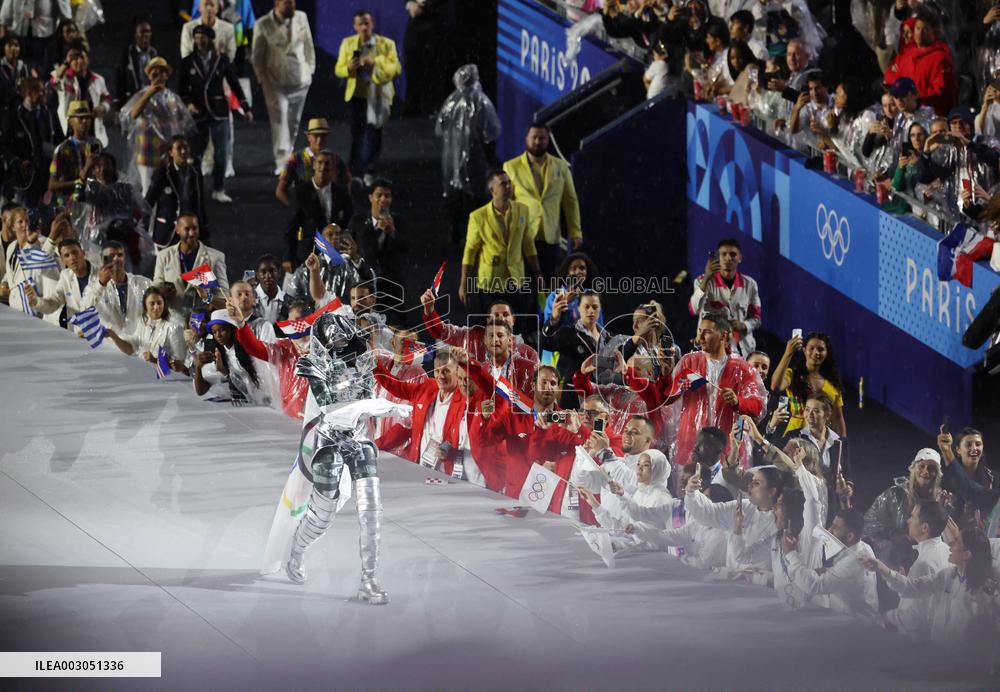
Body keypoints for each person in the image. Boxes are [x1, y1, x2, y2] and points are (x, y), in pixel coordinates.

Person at [276, 309, 410, 604]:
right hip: (329, 443)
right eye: (331, 334)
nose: (338, 338)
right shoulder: (312, 364)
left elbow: (364, 400)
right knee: (322, 516)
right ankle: (296, 552)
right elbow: (332, 408)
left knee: (371, 510)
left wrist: (380, 406)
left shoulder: (363, 361)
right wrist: (388, 408)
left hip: (359, 440)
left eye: (342, 332)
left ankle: (369, 579)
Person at [862, 527, 1000, 649]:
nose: (951, 544)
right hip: (938, 658)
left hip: (967, 668)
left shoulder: (989, 591)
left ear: (966, 554)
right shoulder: (947, 576)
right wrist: (883, 569)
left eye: (957, 541)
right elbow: (912, 587)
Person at [667, 313, 765, 466]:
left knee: (723, 490)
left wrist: (737, 401)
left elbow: (757, 407)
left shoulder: (742, 368)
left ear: (723, 335)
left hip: (727, 452)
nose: (700, 337)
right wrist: (665, 373)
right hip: (691, 447)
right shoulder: (689, 362)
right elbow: (668, 397)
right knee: (690, 489)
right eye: (699, 331)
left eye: (707, 332)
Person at [179, 24, 251, 203]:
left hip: (219, 113)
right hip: (198, 113)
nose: (199, 41)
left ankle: (218, 189)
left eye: (203, 37)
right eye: (196, 38)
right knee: (195, 155)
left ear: (210, 39)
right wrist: (188, 104)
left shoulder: (222, 60)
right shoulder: (188, 62)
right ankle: (194, 189)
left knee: (221, 154)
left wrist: (246, 107)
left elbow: (234, 83)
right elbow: (181, 89)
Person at [503, 123, 582, 278]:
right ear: (526, 139)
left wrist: (575, 231)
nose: (537, 141)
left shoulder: (560, 166)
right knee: (524, 285)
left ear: (548, 140)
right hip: (523, 237)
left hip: (550, 236)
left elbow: (570, 201)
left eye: (542, 138)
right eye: (534, 137)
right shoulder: (511, 167)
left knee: (548, 282)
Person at [460, 169, 541, 316]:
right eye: (503, 184)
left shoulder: (522, 210)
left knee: (517, 325)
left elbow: (528, 244)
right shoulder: (478, 217)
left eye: (509, 182)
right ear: (492, 190)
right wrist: (464, 283)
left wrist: (537, 273)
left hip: (516, 280)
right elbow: (470, 251)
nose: (509, 186)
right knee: (493, 327)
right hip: (491, 283)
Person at [436, 63, 501, 244]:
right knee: (478, 194)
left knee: (456, 193)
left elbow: (439, 127)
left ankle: (455, 230)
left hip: (453, 157)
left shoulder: (451, 102)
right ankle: (478, 232)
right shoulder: (482, 101)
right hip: (476, 156)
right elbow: (493, 132)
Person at [334, 9, 401, 182]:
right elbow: (338, 69)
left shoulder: (386, 44)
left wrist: (376, 64)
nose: (364, 27)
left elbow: (396, 68)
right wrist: (349, 67)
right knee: (357, 135)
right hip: (356, 96)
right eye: (360, 24)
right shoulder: (347, 44)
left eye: (367, 23)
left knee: (374, 134)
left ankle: (370, 170)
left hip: (378, 97)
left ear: (372, 24)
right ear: (355, 26)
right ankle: (355, 172)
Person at [374, 349, 466, 474]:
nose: (441, 376)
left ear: (457, 372)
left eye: (447, 371)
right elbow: (397, 387)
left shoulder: (464, 398)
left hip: (447, 471)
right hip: (418, 464)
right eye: (438, 371)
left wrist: (449, 447)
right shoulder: (428, 387)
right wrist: (375, 367)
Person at [781, 507, 879, 622]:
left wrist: (790, 553)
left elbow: (814, 586)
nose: (829, 530)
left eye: (835, 528)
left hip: (856, 626)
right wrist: (826, 570)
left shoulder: (854, 562)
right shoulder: (862, 546)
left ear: (850, 536)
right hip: (849, 620)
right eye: (832, 525)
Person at [251, 0, 315, 174]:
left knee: (293, 121)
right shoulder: (263, 24)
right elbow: (257, 56)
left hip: (299, 80)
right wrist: (262, 79)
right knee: (279, 120)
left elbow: (308, 44)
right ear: (277, 4)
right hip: (274, 82)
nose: (292, 5)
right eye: (288, 3)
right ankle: (282, 160)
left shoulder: (302, 17)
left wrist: (310, 71)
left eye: (293, 2)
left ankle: (288, 152)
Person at [684, 465, 782, 574]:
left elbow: (746, 557)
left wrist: (738, 528)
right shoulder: (743, 506)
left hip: (761, 586)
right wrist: (691, 493)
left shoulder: (782, 521)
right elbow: (708, 513)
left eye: (757, 483)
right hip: (731, 582)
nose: (749, 485)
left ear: (772, 491)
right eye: (751, 481)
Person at [120, 57, 195, 195]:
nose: (158, 75)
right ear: (149, 76)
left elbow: (182, 122)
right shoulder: (142, 94)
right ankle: (149, 216)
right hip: (147, 150)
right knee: (148, 189)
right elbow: (133, 114)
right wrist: (151, 91)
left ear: (167, 75)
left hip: (167, 151)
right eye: (154, 72)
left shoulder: (172, 97)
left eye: (162, 72)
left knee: (170, 188)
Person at [882, 500, 952, 638]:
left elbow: (914, 618)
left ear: (924, 527)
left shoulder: (924, 563)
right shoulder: (947, 550)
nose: (908, 521)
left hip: (915, 643)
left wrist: (887, 617)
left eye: (913, 517)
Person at [863, 448, 944, 564]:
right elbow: (871, 524)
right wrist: (895, 536)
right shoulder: (895, 495)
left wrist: (942, 508)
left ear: (937, 473)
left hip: (927, 563)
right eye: (921, 466)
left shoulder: (942, 500)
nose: (925, 472)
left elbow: (945, 539)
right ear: (913, 468)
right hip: (892, 562)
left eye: (931, 468)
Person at [71, 152, 149, 267]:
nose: (103, 170)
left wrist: (131, 222)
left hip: (121, 241)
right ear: (94, 170)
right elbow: (77, 197)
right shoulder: (92, 189)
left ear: (113, 168)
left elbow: (141, 211)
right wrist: (85, 170)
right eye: (98, 167)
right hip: (97, 242)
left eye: (107, 166)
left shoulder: (125, 189)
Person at [419, 290, 539, 365]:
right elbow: (441, 332)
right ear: (488, 320)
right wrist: (429, 310)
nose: (501, 318)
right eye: (496, 315)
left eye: (506, 315)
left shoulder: (527, 353)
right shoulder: (472, 337)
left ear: (513, 320)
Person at [689, 237, 761, 357]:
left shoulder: (750, 284)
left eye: (733, 254)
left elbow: (756, 318)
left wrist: (743, 325)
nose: (728, 258)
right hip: (711, 349)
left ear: (740, 258)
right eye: (723, 254)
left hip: (742, 351)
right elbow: (694, 309)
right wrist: (707, 277)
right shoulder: (701, 281)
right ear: (718, 257)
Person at [770, 331, 846, 437]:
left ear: (826, 353)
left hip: (821, 441)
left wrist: (843, 445)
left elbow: (838, 418)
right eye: (812, 348)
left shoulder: (833, 384)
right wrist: (788, 353)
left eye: (821, 349)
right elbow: (775, 386)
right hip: (794, 439)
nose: (816, 353)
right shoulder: (792, 375)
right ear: (804, 350)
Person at [1, 76, 61, 208]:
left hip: (46, 178)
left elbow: (59, 142)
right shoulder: (13, 117)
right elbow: (4, 146)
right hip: (22, 180)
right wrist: (17, 161)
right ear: (29, 93)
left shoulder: (49, 115)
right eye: (40, 90)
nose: (43, 93)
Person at [286, 151, 354, 265]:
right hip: (310, 253)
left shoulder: (342, 192)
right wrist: (288, 257)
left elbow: (349, 220)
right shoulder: (300, 192)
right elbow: (292, 226)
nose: (323, 167)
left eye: (327, 163)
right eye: (320, 162)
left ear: (332, 167)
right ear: (313, 165)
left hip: (336, 253)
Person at [152, 212, 228, 312]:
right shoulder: (163, 256)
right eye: (187, 229)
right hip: (172, 321)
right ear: (177, 229)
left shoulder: (215, 257)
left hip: (201, 323)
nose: (192, 233)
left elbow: (225, 299)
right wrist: (163, 290)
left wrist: (207, 297)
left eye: (195, 228)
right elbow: (155, 289)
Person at [105, 285, 188, 373]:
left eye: (159, 303)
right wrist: (113, 336)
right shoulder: (142, 323)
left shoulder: (174, 327)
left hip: (168, 380)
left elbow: (180, 366)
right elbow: (131, 349)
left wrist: (155, 360)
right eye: (152, 303)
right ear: (145, 306)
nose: (156, 307)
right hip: (144, 374)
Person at [541, 289, 603, 408]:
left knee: (598, 427)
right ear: (578, 308)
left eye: (595, 307)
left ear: (600, 309)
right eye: (587, 306)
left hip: (598, 401)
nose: (591, 310)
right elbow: (545, 343)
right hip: (572, 400)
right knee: (571, 426)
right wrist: (553, 318)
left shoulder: (607, 337)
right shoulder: (568, 333)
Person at [144, 136, 207, 249]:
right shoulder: (162, 173)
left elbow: (199, 203)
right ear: (171, 152)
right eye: (179, 148)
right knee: (167, 265)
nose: (183, 151)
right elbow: (148, 202)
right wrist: (142, 230)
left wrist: (203, 229)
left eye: (186, 148)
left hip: (188, 231)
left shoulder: (194, 173)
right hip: (166, 232)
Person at [81, 240, 152, 337]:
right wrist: (101, 285)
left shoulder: (144, 283)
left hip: (138, 344)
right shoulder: (93, 287)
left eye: (120, 255)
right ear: (103, 259)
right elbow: (84, 310)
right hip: (110, 345)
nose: (116, 259)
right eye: (111, 256)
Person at [193, 308, 266, 403]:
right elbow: (200, 391)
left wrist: (225, 372)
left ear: (232, 329)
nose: (218, 335)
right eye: (214, 332)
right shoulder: (217, 353)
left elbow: (254, 389)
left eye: (222, 330)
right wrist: (198, 367)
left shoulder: (246, 350)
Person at [22, 237, 97, 327]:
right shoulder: (65, 276)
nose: (72, 258)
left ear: (83, 253)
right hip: (77, 333)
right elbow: (54, 303)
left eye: (75, 252)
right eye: (67, 255)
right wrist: (36, 300)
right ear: (62, 260)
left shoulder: (100, 274)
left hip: (102, 334)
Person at [274, 118, 350, 207]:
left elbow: (348, 182)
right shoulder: (296, 159)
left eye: (323, 136)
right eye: (316, 136)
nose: (319, 140)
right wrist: (295, 208)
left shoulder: (335, 159)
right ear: (308, 137)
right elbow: (280, 190)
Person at [2, 206, 60, 322]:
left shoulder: (41, 242)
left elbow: (39, 264)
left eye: (27, 221)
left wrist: (33, 242)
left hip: (33, 309)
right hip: (13, 307)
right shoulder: (11, 247)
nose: (25, 225)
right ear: (13, 227)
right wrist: (4, 283)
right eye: (20, 222)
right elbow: (12, 272)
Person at [52, 43, 110, 147]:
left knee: (94, 159)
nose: (79, 61)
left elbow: (107, 98)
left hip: (93, 132)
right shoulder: (64, 78)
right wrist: (66, 62)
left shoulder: (98, 79)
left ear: (88, 60)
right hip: (70, 130)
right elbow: (54, 81)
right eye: (75, 59)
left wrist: (103, 107)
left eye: (82, 57)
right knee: (73, 160)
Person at [299, 224, 374, 305]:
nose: (335, 237)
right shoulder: (310, 264)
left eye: (338, 234)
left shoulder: (350, 263)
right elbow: (295, 293)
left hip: (346, 314)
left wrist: (355, 258)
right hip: (316, 315)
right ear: (323, 239)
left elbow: (369, 285)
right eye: (330, 234)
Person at [937, 426, 997, 527]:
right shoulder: (944, 481)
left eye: (978, 444)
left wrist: (947, 452)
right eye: (968, 445)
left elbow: (969, 487)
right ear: (958, 450)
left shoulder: (995, 479)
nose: (974, 448)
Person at [47, 99, 101, 207]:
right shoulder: (62, 149)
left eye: (87, 117)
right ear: (70, 121)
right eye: (80, 118)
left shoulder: (96, 144)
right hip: (70, 204)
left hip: (92, 202)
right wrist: (79, 182)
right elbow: (52, 185)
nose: (85, 121)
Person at [402, 0, 449, 117]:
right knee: (412, 67)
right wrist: (410, 4)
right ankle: (413, 107)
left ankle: (431, 107)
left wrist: (424, 6)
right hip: (415, 27)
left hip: (435, 25)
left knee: (433, 68)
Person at [0, 0, 70, 68]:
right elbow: (5, 13)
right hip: (19, 34)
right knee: (18, 69)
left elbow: (66, 14)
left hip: (45, 37)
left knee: (41, 71)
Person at [114, 14, 158, 113]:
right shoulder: (127, 55)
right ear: (135, 34)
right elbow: (120, 80)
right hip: (133, 101)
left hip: (152, 102)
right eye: (142, 32)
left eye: (148, 31)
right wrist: (118, 107)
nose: (146, 35)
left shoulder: (155, 54)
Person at [252, 253, 285, 322]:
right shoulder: (248, 299)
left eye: (272, 271)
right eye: (263, 272)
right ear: (257, 275)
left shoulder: (289, 302)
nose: (268, 276)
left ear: (279, 272)